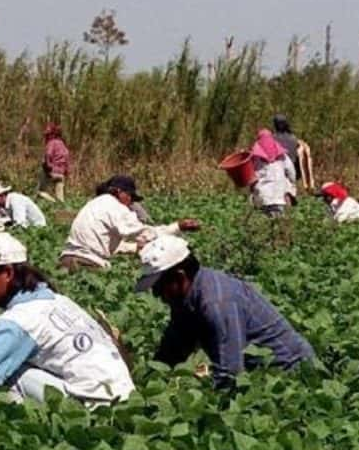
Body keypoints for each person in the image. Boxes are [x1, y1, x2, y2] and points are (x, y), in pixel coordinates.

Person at [0, 233, 135, 406]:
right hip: (125, 396)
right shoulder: (57, 300)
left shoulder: (20, 319)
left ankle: (17, 432)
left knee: (9, 371)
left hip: (93, 403)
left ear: (7, 273)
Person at [136, 235, 314, 389]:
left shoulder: (217, 302)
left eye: (159, 286)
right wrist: (146, 383)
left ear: (180, 277)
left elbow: (230, 373)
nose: (156, 293)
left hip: (289, 374)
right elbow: (173, 348)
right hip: (257, 373)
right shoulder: (186, 297)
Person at [59, 175, 200, 270]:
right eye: (131, 197)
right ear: (120, 192)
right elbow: (145, 233)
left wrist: (133, 248)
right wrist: (178, 226)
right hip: (87, 264)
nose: (131, 202)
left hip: (66, 261)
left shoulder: (95, 203)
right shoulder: (115, 206)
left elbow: (105, 243)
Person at [249, 129, 298, 216]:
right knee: (279, 222)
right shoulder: (283, 156)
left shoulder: (254, 158)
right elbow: (292, 173)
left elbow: (249, 176)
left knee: (264, 223)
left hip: (263, 197)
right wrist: (291, 185)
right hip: (280, 196)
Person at [38, 123, 70, 203]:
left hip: (52, 171)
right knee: (60, 198)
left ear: (51, 135)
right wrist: (66, 172)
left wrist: (48, 167)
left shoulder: (51, 143)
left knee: (41, 192)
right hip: (61, 173)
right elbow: (67, 159)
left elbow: (48, 154)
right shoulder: (63, 144)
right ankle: (61, 208)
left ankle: (53, 203)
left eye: (47, 134)